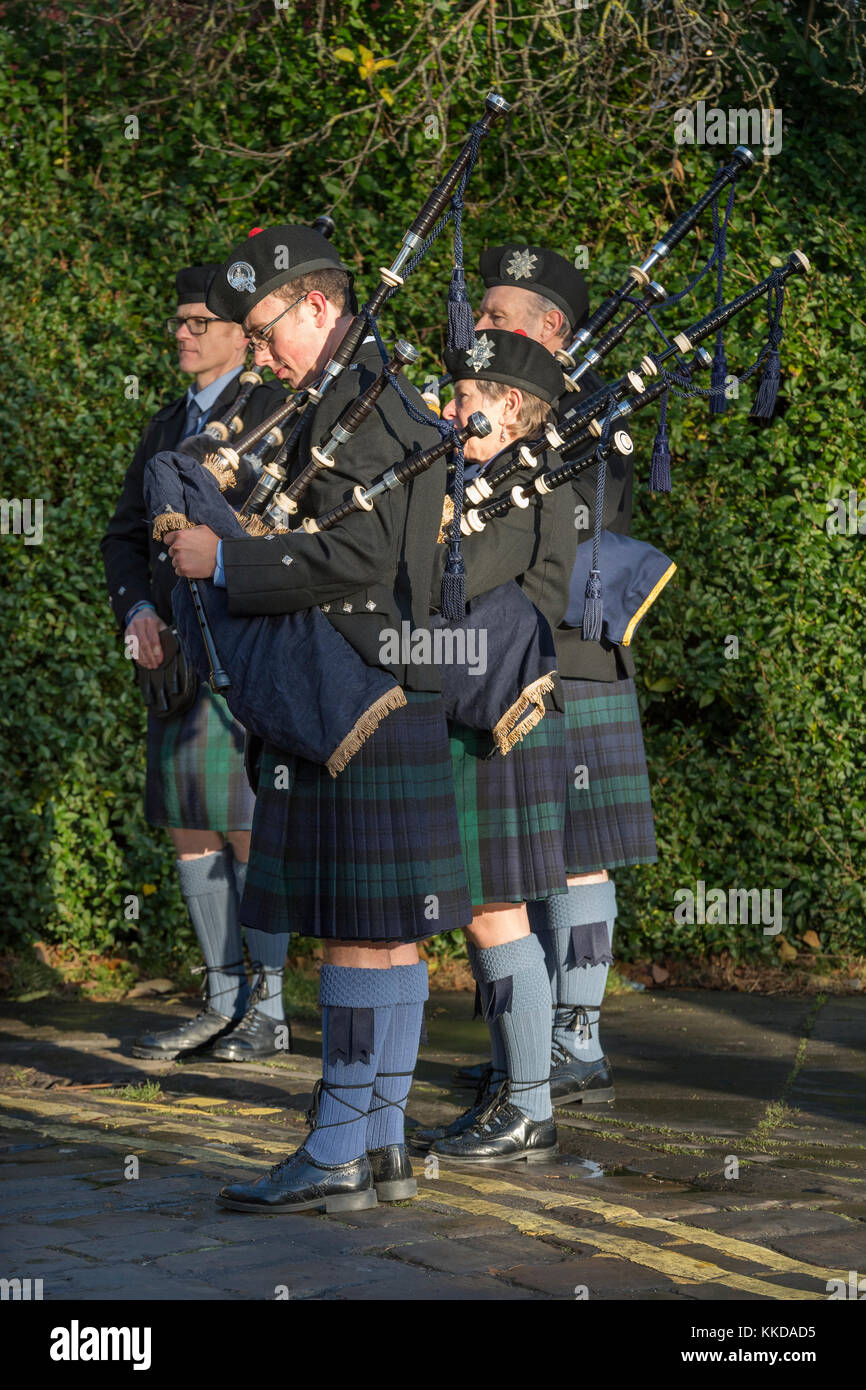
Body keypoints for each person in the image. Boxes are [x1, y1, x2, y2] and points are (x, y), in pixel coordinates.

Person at [163, 224, 472, 1213]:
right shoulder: (351, 394)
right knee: (387, 933)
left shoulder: (364, 402)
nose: (259, 353)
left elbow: (360, 559)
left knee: (352, 929)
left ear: (321, 306)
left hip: (355, 691)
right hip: (386, 690)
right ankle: (376, 1142)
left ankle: (338, 1141)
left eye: (265, 332)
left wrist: (228, 562)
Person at [451, 244, 658, 1106]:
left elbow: (586, 519)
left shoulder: (591, 410)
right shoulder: (482, 400)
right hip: (511, 642)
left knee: (577, 852)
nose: (482, 327)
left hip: (569, 642)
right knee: (518, 858)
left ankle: (579, 1032)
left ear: (552, 330)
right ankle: (531, 1044)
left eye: (499, 316)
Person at [101, 261, 292, 1064]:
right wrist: (138, 610)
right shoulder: (163, 424)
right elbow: (122, 536)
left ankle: (270, 1011)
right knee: (191, 827)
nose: (182, 333)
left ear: (241, 338)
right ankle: (222, 1000)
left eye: (197, 323)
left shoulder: (280, 415)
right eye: (178, 321)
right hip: (174, 659)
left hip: (244, 648)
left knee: (250, 826)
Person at [413, 329, 578, 1165]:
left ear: (509, 406)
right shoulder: (487, 477)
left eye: (463, 394)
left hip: (498, 718)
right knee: (483, 910)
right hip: (476, 708)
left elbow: (458, 575)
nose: (449, 407)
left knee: (494, 908)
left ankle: (528, 1107)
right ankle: (516, 1095)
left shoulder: (527, 485)